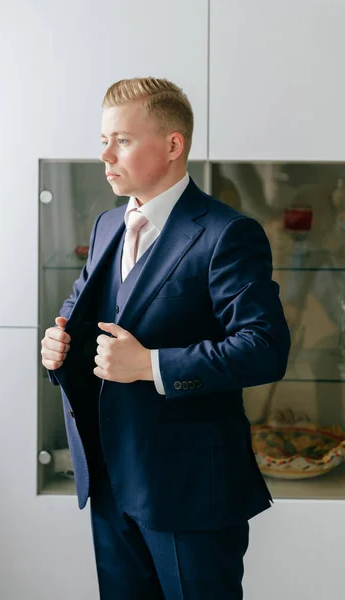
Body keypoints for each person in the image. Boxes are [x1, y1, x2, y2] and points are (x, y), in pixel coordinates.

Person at [40, 77, 291, 600]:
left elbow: (264, 348)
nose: (105, 154)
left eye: (123, 140)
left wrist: (150, 365)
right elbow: (79, 315)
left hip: (189, 490)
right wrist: (57, 351)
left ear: (174, 145)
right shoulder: (110, 224)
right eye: (103, 140)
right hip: (110, 480)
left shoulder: (227, 233)